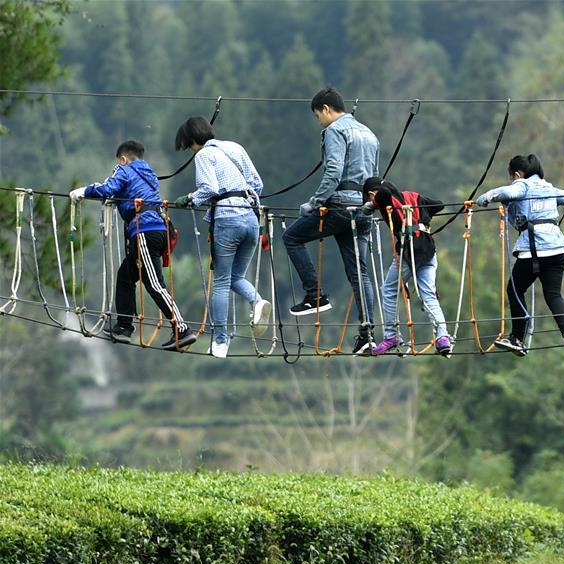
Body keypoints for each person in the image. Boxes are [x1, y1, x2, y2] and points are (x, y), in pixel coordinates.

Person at [70, 139, 196, 350]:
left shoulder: (124, 170)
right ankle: (124, 327)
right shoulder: (149, 175)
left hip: (145, 231)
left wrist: (84, 191)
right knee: (126, 276)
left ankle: (182, 330)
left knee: (155, 284)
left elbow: (108, 188)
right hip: (155, 229)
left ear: (123, 158)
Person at [282, 86, 379, 356]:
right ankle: (367, 335)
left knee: (291, 237)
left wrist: (315, 202)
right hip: (363, 209)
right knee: (360, 273)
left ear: (326, 109)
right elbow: (375, 177)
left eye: (318, 116)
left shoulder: (335, 130)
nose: (320, 121)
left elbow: (334, 170)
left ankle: (314, 294)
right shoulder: (369, 134)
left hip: (338, 208)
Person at [174, 116, 270, 359]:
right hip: (250, 219)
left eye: (190, 145)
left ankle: (219, 341)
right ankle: (257, 302)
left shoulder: (204, 155)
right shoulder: (235, 147)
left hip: (227, 220)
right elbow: (256, 184)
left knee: (220, 282)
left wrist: (190, 198)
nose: (192, 150)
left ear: (194, 140)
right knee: (235, 277)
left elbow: (209, 189)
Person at [476, 154, 564, 356]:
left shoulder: (522, 185)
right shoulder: (549, 187)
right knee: (553, 294)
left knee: (514, 290)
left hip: (534, 249)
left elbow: (509, 192)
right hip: (557, 248)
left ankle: (517, 337)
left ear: (517, 174)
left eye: (512, 177)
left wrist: (486, 197)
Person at [362, 177, 451, 356]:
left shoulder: (384, 198)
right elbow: (439, 205)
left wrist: (372, 205)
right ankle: (443, 337)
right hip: (428, 247)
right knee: (428, 294)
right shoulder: (412, 196)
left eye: (370, 198)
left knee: (388, 289)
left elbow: (384, 193)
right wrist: (423, 218)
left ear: (372, 194)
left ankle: (391, 336)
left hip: (409, 250)